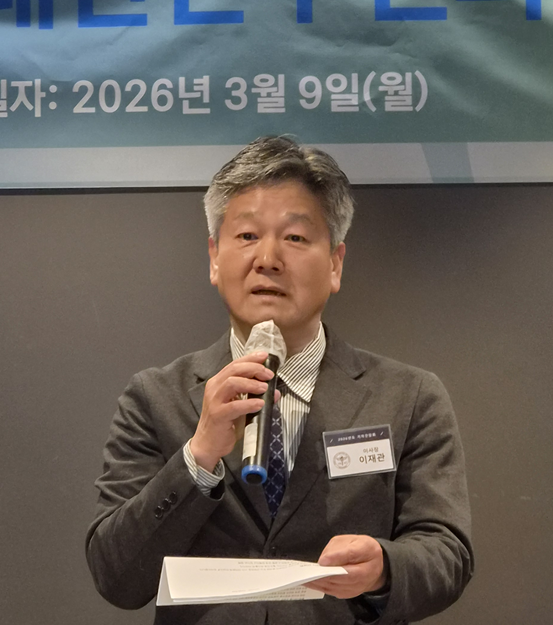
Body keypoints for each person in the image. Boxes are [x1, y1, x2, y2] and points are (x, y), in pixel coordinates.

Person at [86, 136, 474, 625]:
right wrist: (198, 456)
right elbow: (116, 576)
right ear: (214, 258)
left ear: (335, 263)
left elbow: (447, 553)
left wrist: (384, 567)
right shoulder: (154, 398)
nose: (267, 258)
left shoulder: (409, 397)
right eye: (247, 235)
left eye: (295, 238)